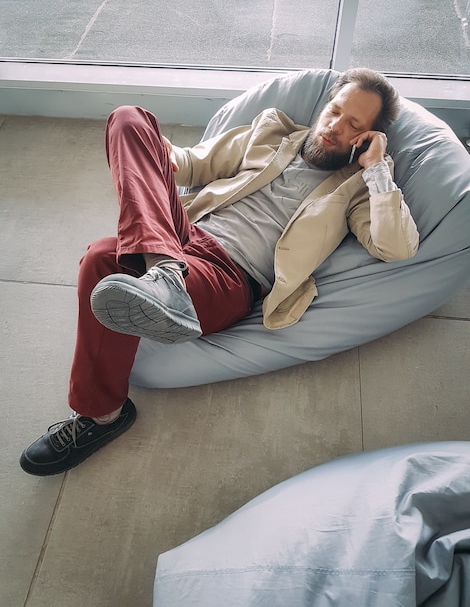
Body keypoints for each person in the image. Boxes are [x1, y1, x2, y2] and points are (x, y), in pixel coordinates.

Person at [20, 68, 419, 477]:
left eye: (354, 125)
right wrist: (147, 155)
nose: (335, 127)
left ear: (368, 138)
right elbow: (190, 165)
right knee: (128, 117)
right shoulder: (271, 133)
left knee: (101, 258)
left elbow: (396, 246)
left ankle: (103, 414)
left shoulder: (356, 187)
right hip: (181, 236)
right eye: (334, 111)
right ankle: (164, 273)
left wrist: (376, 169)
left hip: (229, 277)